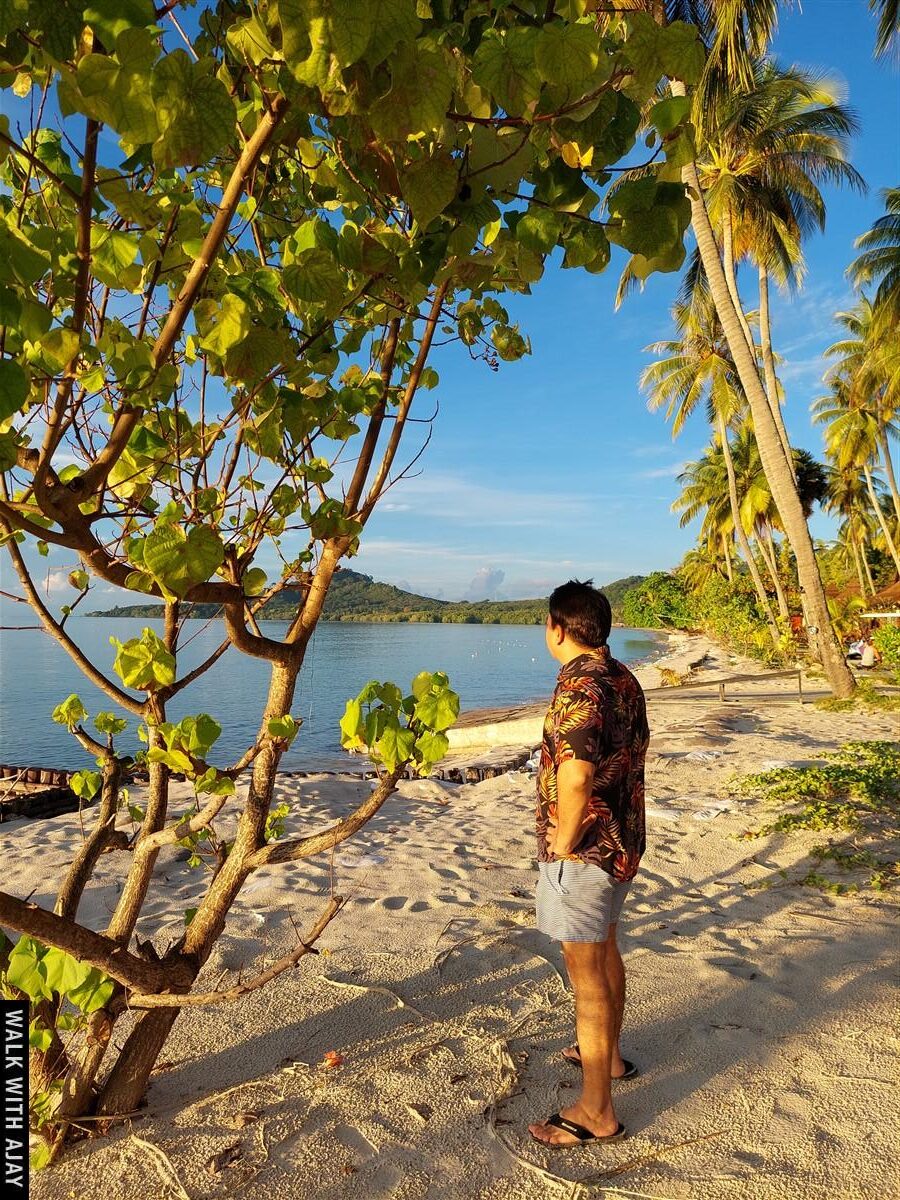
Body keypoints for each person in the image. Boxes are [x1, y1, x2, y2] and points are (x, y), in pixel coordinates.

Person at [528, 580, 650, 1150]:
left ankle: (597, 1109)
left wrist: (564, 838)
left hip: (587, 850)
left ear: (557, 627)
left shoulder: (580, 687)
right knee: (604, 951)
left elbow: (575, 774)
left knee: (585, 975)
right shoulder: (622, 677)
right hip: (622, 841)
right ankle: (611, 1059)